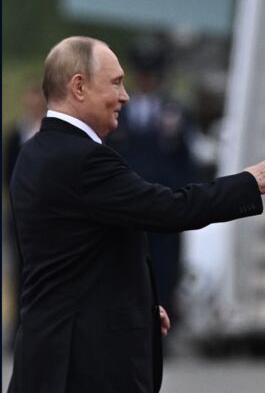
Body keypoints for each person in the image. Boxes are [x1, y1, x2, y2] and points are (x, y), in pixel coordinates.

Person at [7, 36, 265, 393]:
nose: (125, 96)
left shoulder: (34, 152)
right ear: (79, 87)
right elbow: (169, 208)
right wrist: (249, 182)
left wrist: (139, 309)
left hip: (46, 355)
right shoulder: (85, 160)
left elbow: (74, 259)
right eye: (115, 83)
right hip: (82, 366)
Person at [107, 35, 197, 333]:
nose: (147, 80)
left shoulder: (175, 111)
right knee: (125, 265)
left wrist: (184, 201)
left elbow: (186, 161)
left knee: (164, 266)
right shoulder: (119, 109)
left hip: (164, 203)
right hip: (127, 203)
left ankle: (163, 327)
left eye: (152, 73)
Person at [2, 83, 47, 350]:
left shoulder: (48, 134)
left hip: (47, 214)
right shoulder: (16, 134)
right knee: (18, 270)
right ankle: (18, 325)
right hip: (20, 213)